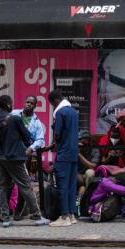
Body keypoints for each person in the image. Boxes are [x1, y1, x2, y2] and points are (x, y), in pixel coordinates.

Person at [0, 95, 48, 228]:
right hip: (15, 158)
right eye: (26, 101)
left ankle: (5, 218)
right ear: (9, 104)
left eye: (31, 103)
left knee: (3, 186)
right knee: (26, 186)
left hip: (0, 157)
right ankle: (37, 216)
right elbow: (27, 137)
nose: (28, 104)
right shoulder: (16, 118)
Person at [48, 90, 79, 227]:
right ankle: (72, 215)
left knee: (62, 185)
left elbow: (58, 135)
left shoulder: (60, 113)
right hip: (73, 153)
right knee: (72, 185)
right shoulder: (73, 112)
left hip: (63, 154)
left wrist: (54, 135)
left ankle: (64, 216)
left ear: (54, 101)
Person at [77, 130, 100, 199]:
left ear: (88, 140)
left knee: (90, 172)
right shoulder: (76, 147)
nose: (81, 142)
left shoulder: (95, 149)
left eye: (83, 140)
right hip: (77, 174)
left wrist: (79, 155)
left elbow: (92, 166)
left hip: (88, 176)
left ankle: (89, 195)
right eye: (79, 140)